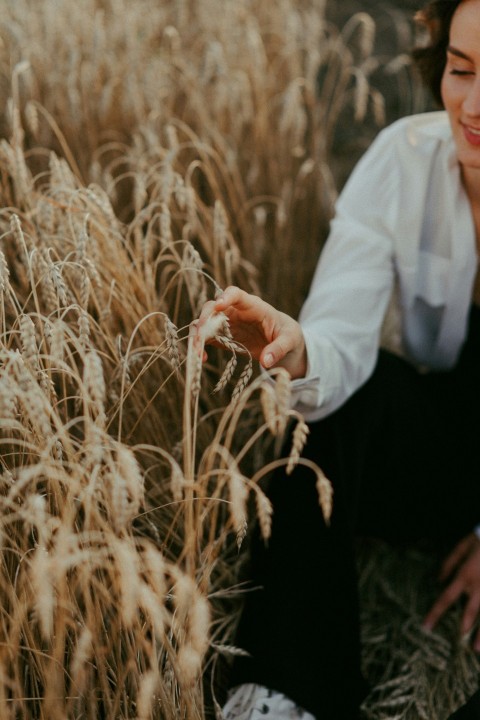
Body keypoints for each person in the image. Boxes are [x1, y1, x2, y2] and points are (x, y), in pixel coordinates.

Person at [196, 1, 480, 717]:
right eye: (460, 70)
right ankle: (284, 691)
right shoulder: (404, 158)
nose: (472, 105)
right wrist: (296, 350)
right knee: (313, 416)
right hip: (444, 443)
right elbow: (343, 337)